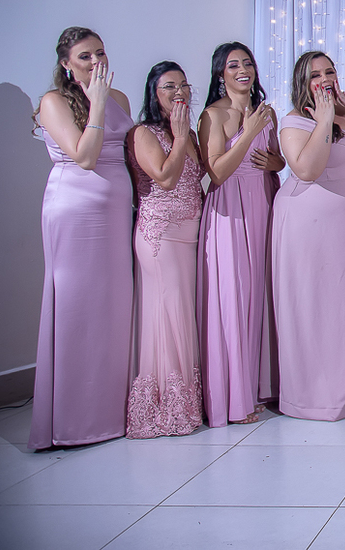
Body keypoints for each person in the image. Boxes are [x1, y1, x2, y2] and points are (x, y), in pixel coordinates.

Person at [29, 27, 134, 449]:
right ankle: (73, 421)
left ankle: (111, 413)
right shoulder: (53, 102)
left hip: (116, 215)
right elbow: (86, 156)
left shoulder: (120, 97)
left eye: (100, 53)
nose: (96, 62)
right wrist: (97, 102)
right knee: (77, 311)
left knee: (115, 310)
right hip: (74, 214)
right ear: (66, 64)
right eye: (86, 56)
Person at [271, 51, 345, 421]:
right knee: (316, 308)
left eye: (329, 71)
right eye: (315, 74)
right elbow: (306, 169)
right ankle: (312, 397)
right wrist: (325, 120)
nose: (324, 79)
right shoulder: (295, 120)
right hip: (310, 224)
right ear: (302, 82)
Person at [197, 41, 284, 427]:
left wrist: (275, 161)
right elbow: (216, 172)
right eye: (233, 65)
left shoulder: (268, 112)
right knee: (233, 298)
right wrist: (248, 133)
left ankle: (256, 387)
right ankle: (231, 399)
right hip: (229, 212)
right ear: (221, 74)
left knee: (259, 296)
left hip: (263, 204)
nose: (242, 70)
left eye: (247, 63)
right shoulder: (212, 116)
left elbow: (279, 160)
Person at [126, 62, 205, 439]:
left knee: (185, 314)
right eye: (169, 86)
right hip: (161, 236)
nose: (179, 92)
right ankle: (167, 404)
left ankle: (189, 399)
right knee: (168, 315)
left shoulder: (190, 132)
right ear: (153, 94)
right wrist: (179, 137)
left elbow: (203, 176)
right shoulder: (143, 133)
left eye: (184, 85)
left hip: (192, 235)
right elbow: (166, 177)